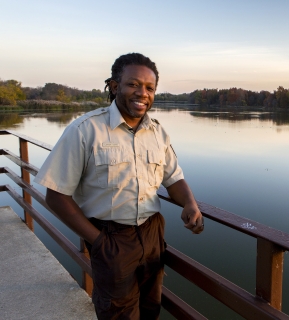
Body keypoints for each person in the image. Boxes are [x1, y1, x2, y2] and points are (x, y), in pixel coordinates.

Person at [34, 53, 204, 319]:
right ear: (114, 87)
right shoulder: (85, 130)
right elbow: (56, 195)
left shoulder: (158, 132)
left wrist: (190, 203)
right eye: (133, 84)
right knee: (118, 313)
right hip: (109, 236)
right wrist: (99, 242)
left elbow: (174, 177)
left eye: (149, 88)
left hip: (152, 234)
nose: (142, 93)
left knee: (150, 309)